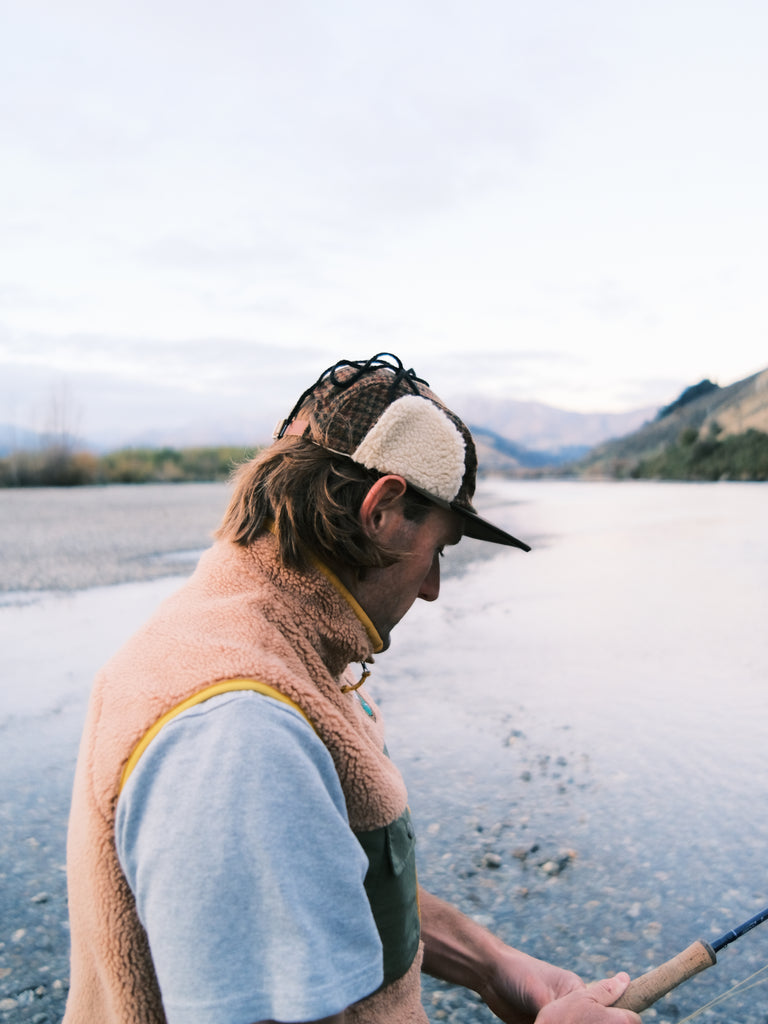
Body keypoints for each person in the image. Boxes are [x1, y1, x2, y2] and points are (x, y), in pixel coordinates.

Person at [63, 353, 640, 1024]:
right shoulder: (240, 730)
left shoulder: (247, 641)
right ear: (384, 512)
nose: (432, 588)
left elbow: (327, 883)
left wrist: (491, 964)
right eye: (440, 550)